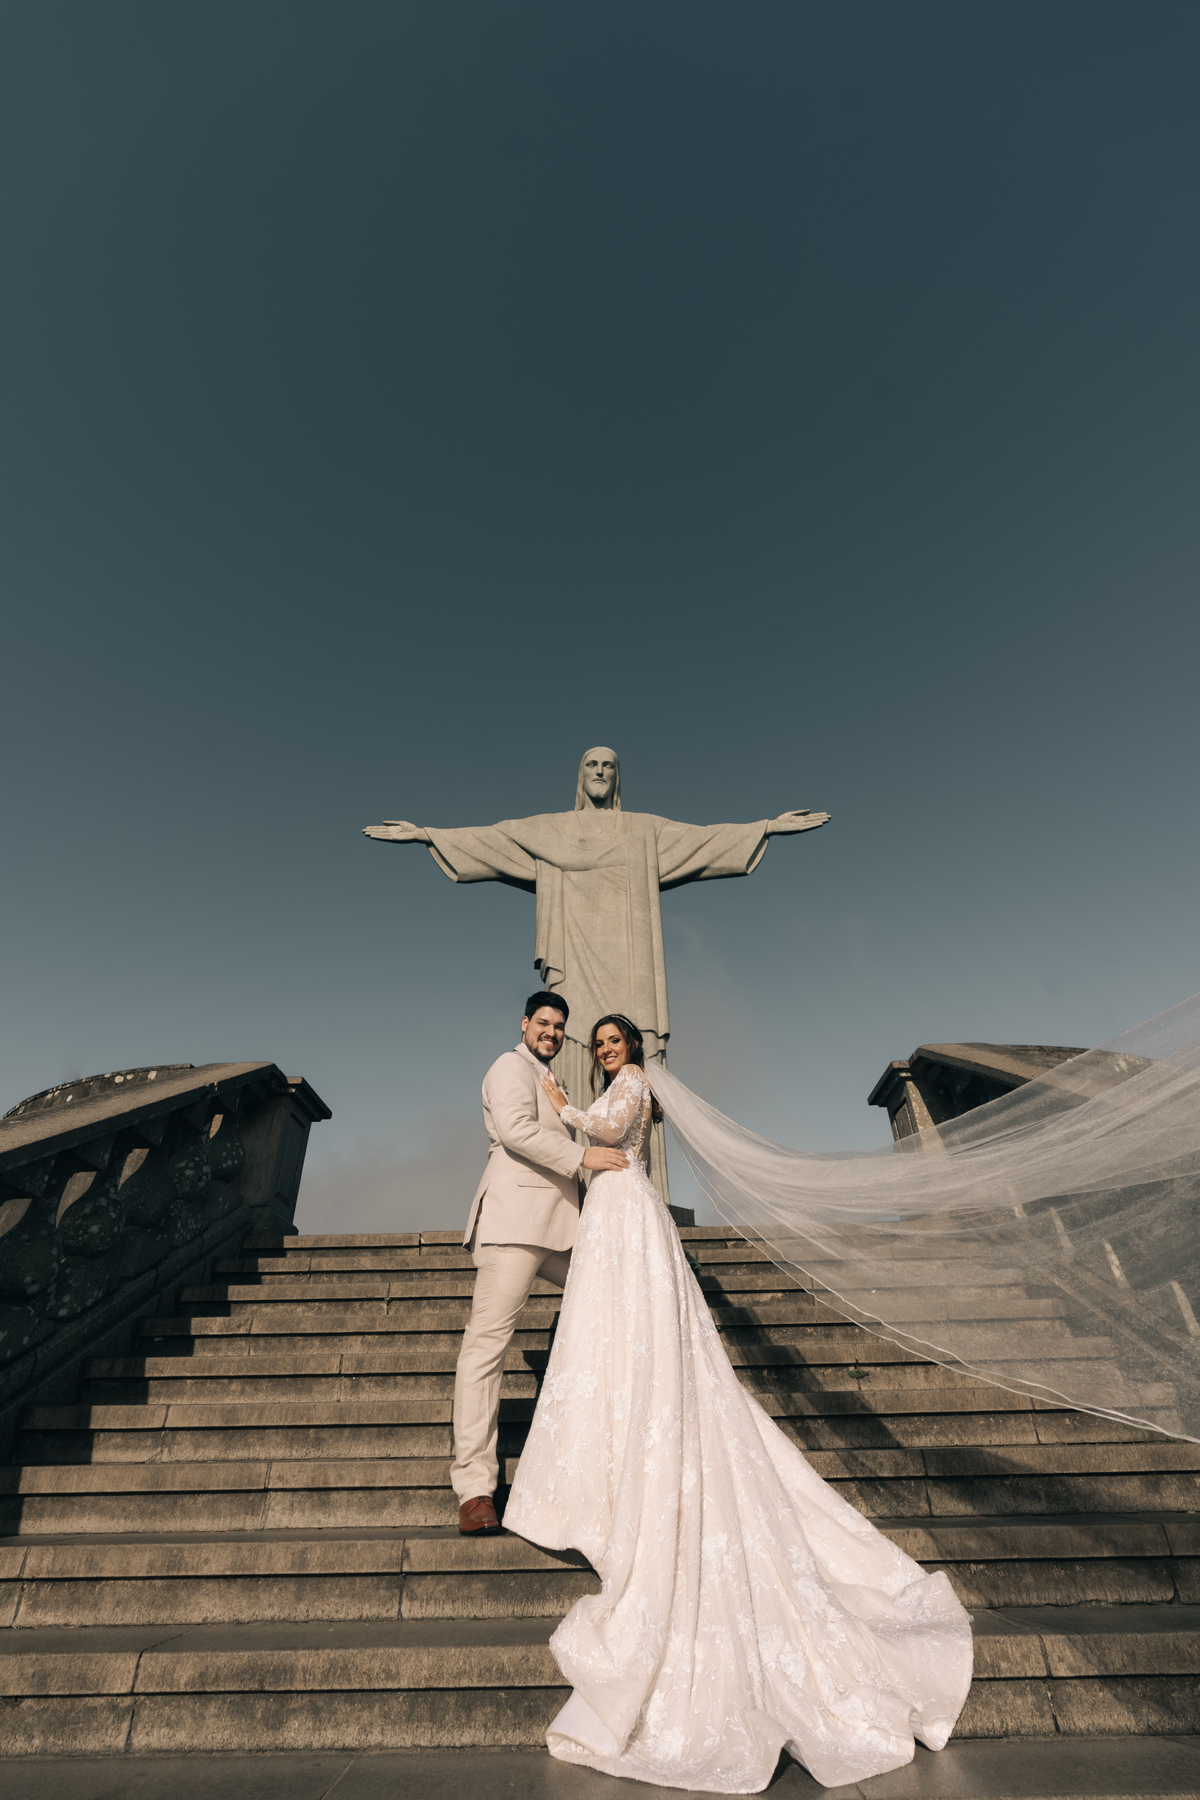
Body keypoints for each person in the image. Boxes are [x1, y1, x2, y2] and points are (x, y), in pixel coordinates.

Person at [503, 1014, 973, 1793]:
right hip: (608, 1218)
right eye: (602, 1043)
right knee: (607, 1338)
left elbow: (611, 1133)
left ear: (633, 1047)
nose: (608, 1048)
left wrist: (558, 1101)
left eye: (614, 1039)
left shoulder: (633, 1087)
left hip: (628, 1212)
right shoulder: (611, 1082)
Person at [451, 992, 629, 1535]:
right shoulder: (509, 1066)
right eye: (543, 1023)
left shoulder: (555, 1083)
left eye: (558, 1027)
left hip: (563, 1228)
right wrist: (582, 1154)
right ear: (525, 1024)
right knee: (486, 1348)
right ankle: (475, 1489)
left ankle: (608, 1460)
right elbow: (514, 1131)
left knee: (615, 1309)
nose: (550, 1032)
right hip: (514, 1222)